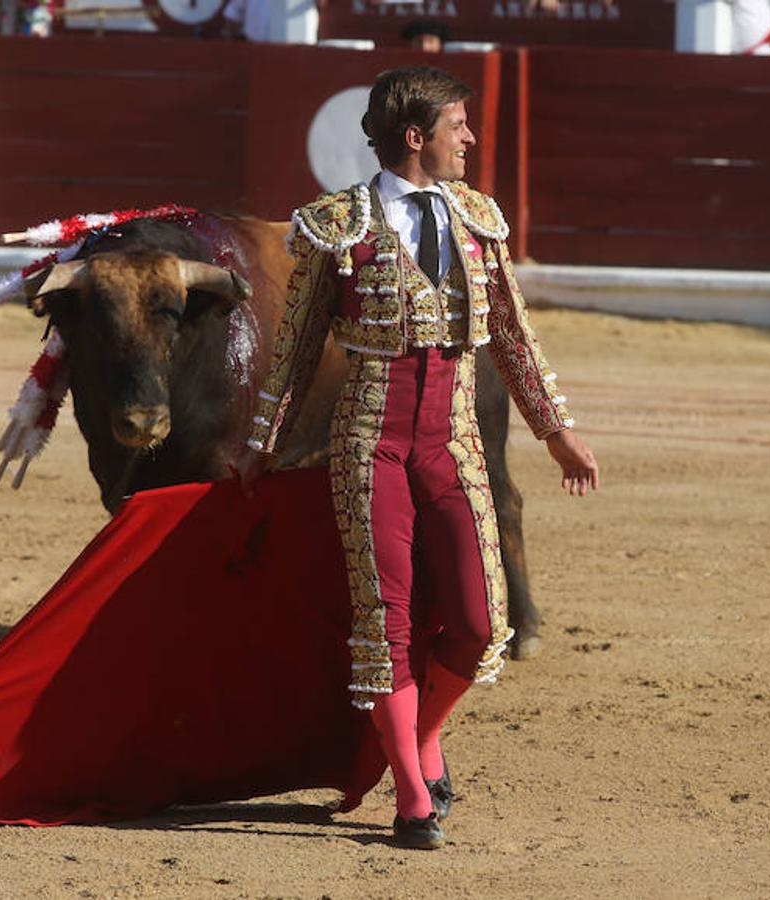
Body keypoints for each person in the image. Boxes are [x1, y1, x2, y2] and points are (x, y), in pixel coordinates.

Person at [233, 66, 598, 850]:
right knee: (386, 621)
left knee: (479, 623)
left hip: (453, 442)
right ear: (415, 136)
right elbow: (295, 350)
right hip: (369, 442)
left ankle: (419, 736)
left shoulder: (478, 218)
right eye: (458, 125)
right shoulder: (337, 225)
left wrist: (554, 429)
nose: (469, 138)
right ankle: (410, 793)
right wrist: (263, 441)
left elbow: (511, 333)